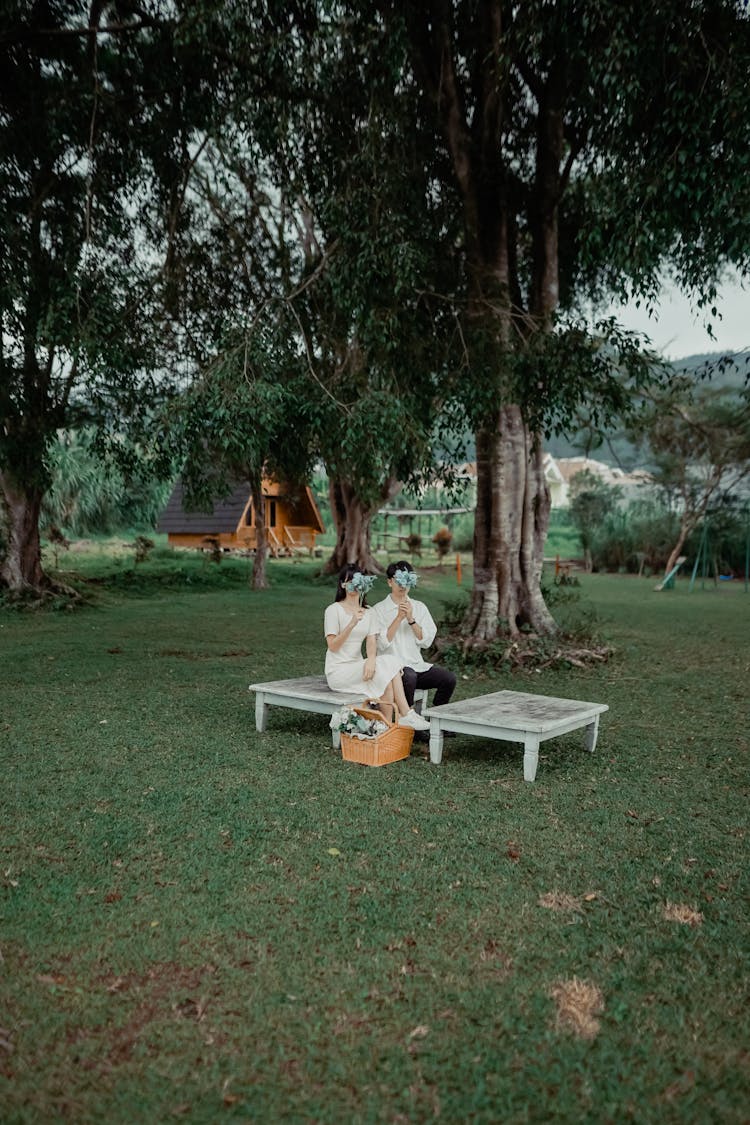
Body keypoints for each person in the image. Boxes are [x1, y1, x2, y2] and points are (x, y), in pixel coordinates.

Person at [324, 563, 429, 731]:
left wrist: (371, 660)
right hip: (339, 671)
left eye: (357, 581)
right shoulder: (333, 610)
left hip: (360, 666)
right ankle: (405, 714)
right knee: (388, 665)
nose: (354, 586)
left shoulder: (369, 611)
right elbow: (333, 646)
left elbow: (372, 641)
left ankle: (386, 728)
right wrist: (351, 624)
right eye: (349, 581)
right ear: (342, 584)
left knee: (386, 673)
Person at [372, 560, 456, 738]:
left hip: (416, 664)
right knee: (408, 676)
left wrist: (410, 619)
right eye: (398, 581)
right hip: (393, 671)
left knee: (448, 679)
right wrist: (398, 617)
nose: (403, 586)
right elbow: (381, 644)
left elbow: (426, 641)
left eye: (406, 581)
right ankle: (409, 725)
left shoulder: (419, 607)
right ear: (389, 582)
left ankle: (436, 721)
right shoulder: (379, 610)